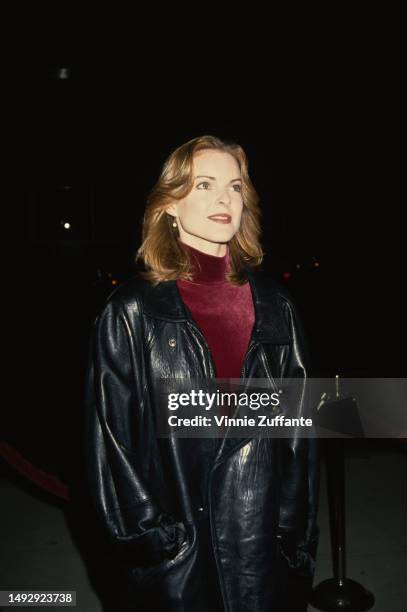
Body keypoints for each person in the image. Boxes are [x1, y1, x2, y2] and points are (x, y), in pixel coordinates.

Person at [83, 135, 320, 612]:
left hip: (262, 545)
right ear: (170, 204)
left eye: (234, 187)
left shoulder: (276, 306)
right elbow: (112, 442)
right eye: (204, 184)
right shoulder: (131, 311)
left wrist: (292, 533)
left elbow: (298, 432)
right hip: (179, 550)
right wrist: (152, 538)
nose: (223, 199)